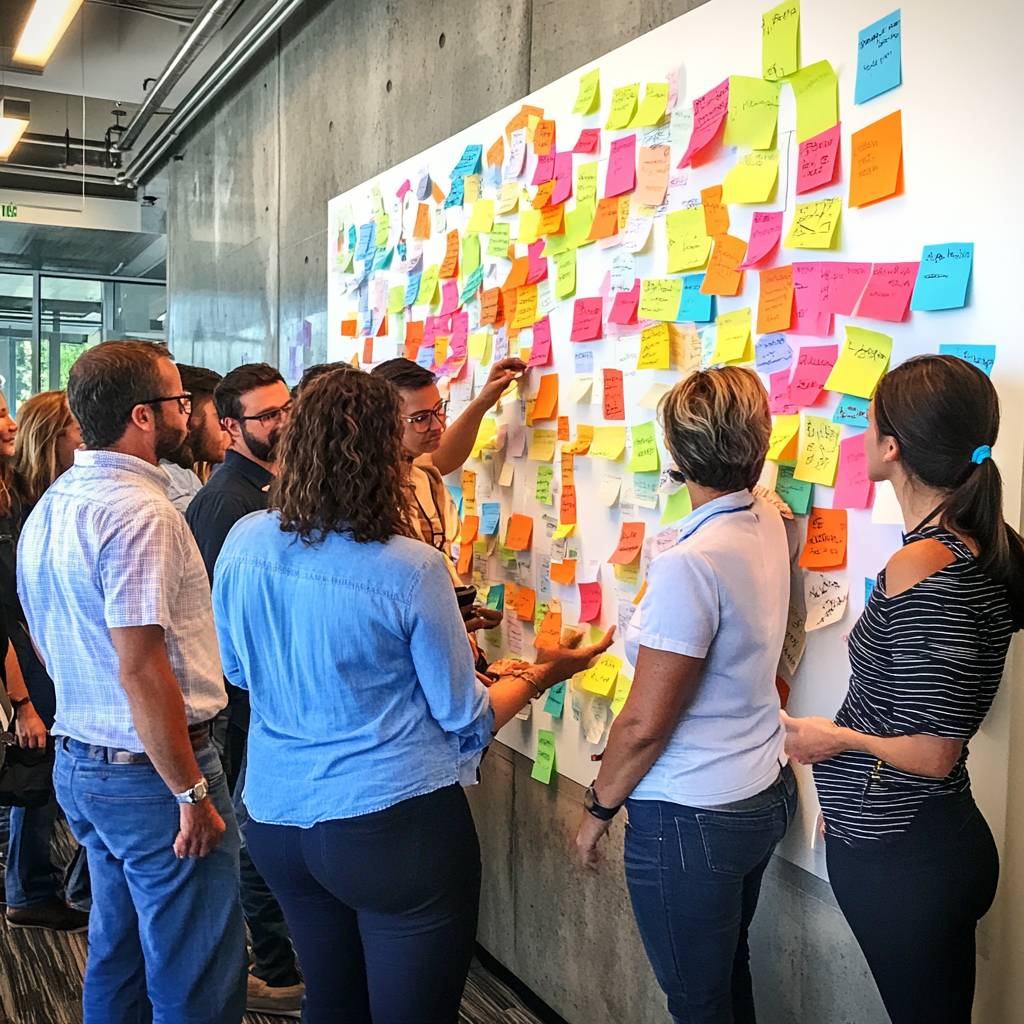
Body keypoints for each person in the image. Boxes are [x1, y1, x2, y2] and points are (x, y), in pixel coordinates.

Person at [212, 368, 613, 1024]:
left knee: (334, 1006)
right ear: (383, 452)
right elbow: (466, 720)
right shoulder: (408, 566)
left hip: (280, 819)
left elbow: (240, 673)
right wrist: (542, 673)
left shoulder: (245, 542)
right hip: (390, 829)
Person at [781, 355, 1023, 1024]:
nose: (858, 436)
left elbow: (935, 750)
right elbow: (904, 695)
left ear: (892, 448)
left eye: (870, 423)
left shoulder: (923, 563)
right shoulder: (987, 542)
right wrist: (854, 795)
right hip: (912, 840)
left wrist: (835, 741)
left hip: (909, 857)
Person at [16, 341, 245, 1024]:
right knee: (194, 971)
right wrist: (191, 791)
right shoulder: (141, 513)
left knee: (121, 952)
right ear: (142, 417)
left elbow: (43, 634)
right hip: (152, 775)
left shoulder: (56, 503)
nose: (189, 411)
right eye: (180, 401)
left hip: (85, 759)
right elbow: (142, 666)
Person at [575, 366, 797, 1024]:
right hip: (762, 789)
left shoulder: (691, 562)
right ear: (760, 438)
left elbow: (646, 722)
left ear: (675, 453)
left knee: (699, 1001)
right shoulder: (769, 520)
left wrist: (597, 809)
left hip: (694, 815)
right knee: (725, 975)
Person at [185, 361, 304, 1016]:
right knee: (253, 837)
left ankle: (283, 966)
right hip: (242, 704)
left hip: (267, 698)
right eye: (267, 415)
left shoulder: (274, 484)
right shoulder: (230, 500)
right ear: (228, 426)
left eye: (287, 408)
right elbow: (214, 619)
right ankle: (277, 972)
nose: (283, 422)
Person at [1, 391, 90, 930]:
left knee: (40, 779)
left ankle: (32, 884)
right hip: (27, 659)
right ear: (53, 438)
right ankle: (29, 890)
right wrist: (24, 699)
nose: (87, 440)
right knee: (36, 779)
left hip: (41, 652)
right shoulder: (24, 506)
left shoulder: (36, 498)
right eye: (78, 430)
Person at [371, 356, 525, 580]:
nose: (437, 425)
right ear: (385, 422)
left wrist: (483, 401)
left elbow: (445, 455)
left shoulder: (418, 466)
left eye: (439, 409)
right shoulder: (370, 489)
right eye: (421, 418)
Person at [160, 364, 228, 510]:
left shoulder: (185, 478)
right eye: (220, 417)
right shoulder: (174, 486)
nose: (229, 429)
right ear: (186, 414)